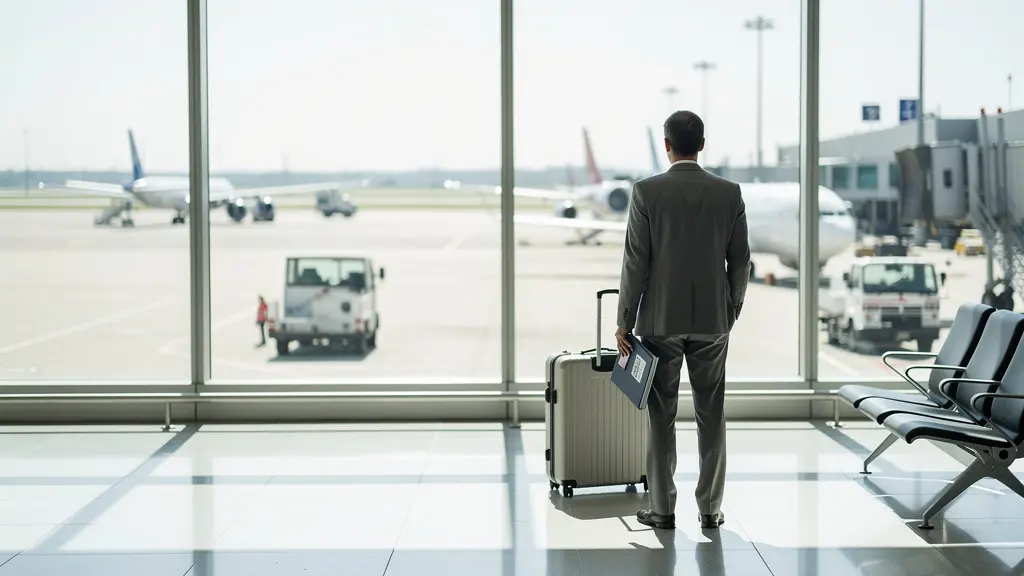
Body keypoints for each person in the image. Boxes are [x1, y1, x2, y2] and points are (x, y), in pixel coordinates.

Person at [614, 111, 750, 531]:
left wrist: (624, 321)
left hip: (659, 321)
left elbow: (636, 261)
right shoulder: (729, 193)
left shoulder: (646, 192)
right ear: (702, 144)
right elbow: (740, 261)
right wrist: (731, 310)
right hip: (713, 320)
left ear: (667, 144)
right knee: (712, 413)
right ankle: (710, 509)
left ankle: (662, 509)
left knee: (661, 415)